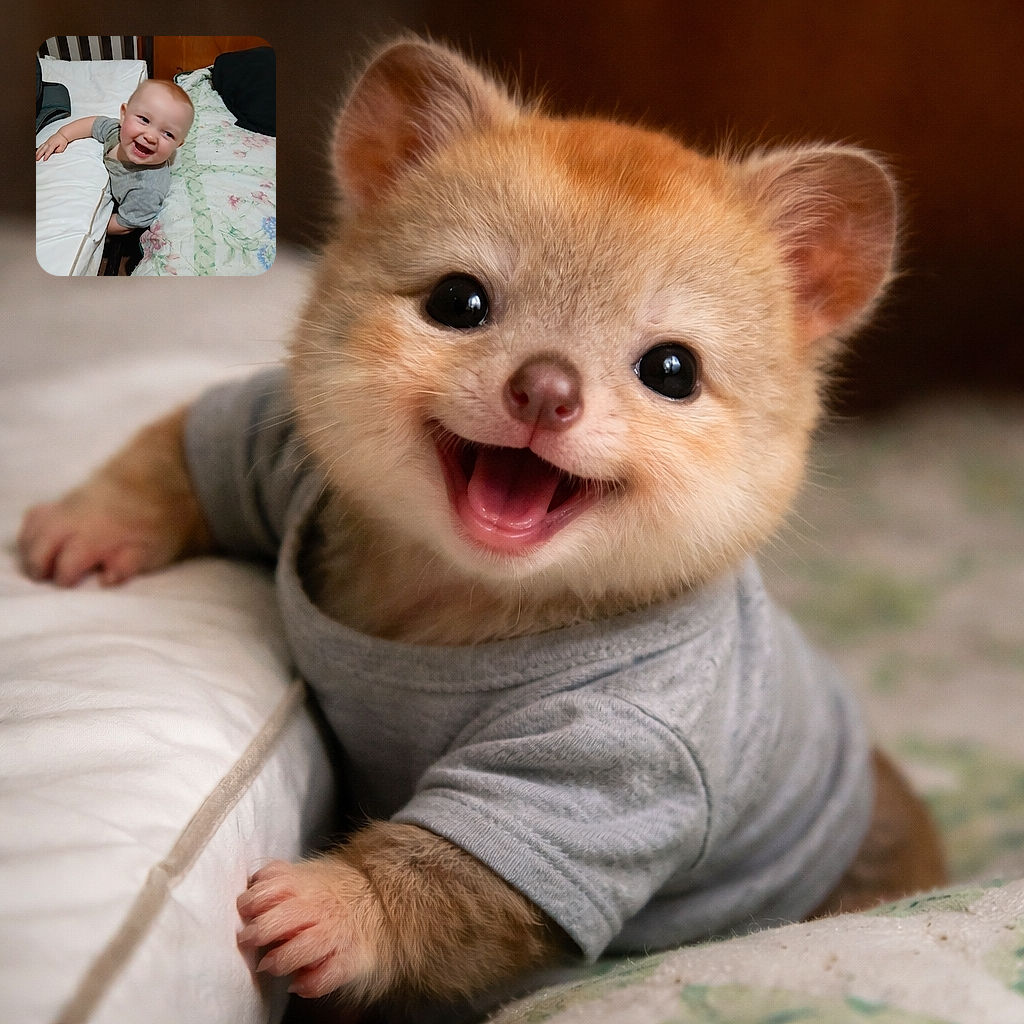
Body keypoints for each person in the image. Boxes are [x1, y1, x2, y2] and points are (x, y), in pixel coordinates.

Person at [35, 79, 194, 235]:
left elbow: (126, 224)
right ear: (124, 115)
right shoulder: (118, 132)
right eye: (144, 120)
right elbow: (94, 124)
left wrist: (87, 226)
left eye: (167, 134)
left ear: (177, 145)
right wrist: (63, 135)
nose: (151, 137)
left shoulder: (146, 189)